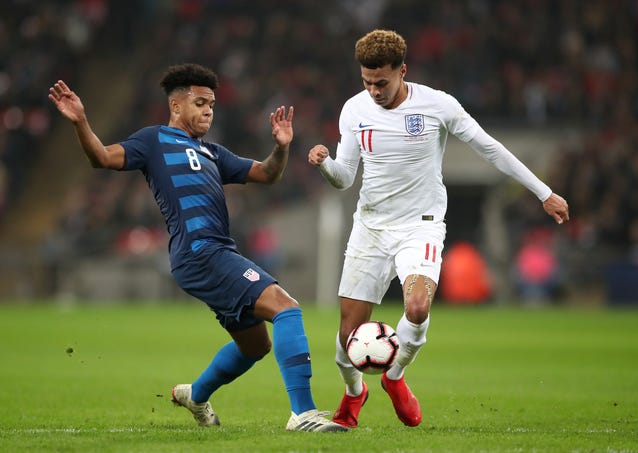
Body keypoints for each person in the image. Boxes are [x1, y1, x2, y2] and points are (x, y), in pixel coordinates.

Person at [49, 63, 347, 432]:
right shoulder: (153, 140)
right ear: (176, 106)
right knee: (287, 308)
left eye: (212, 104)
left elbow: (268, 174)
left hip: (216, 252)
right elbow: (102, 158)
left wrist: (281, 147)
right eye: (201, 102)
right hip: (200, 251)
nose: (208, 110)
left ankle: (196, 395)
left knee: (256, 346)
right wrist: (80, 121)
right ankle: (302, 414)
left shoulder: (212, 153)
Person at [308, 30, 570, 428]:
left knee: (416, 306)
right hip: (371, 228)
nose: (374, 90)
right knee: (347, 342)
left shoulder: (437, 105)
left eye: (382, 82)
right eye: (366, 81)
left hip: (420, 227)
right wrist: (326, 163)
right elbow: (344, 178)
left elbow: (488, 147)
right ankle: (354, 393)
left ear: (403, 71)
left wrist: (543, 192)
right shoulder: (354, 110)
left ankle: (394, 378)